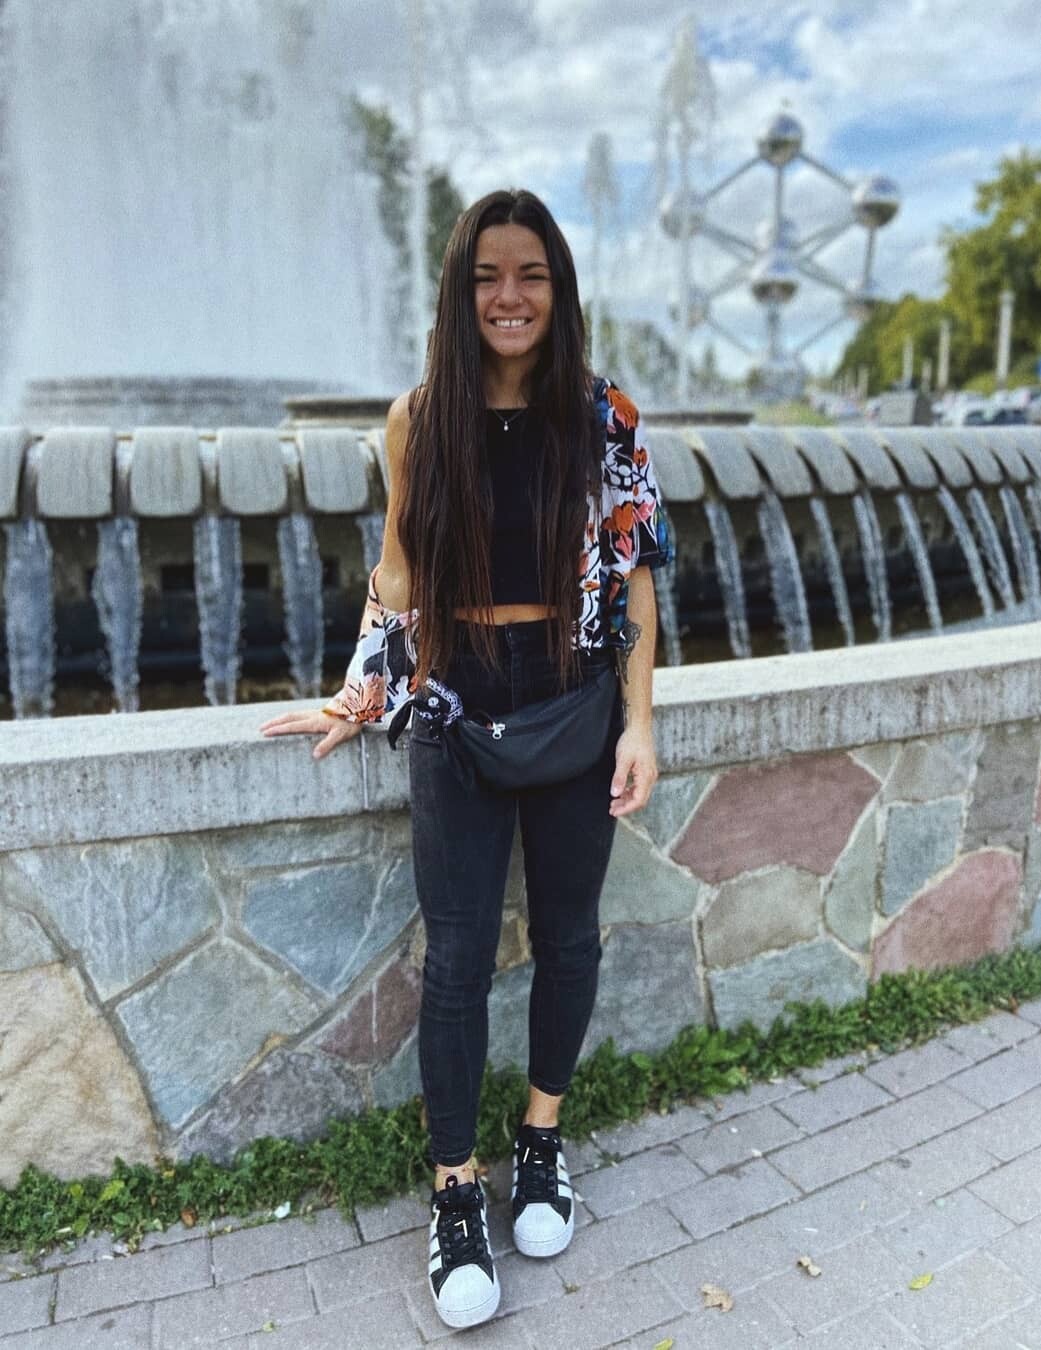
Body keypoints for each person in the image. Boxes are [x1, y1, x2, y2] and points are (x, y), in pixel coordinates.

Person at [259, 187, 674, 1330]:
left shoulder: (605, 416)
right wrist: (362, 688)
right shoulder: (417, 418)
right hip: (453, 705)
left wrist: (640, 723)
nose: (509, 296)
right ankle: (453, 1191)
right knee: (455, 960)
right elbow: (398, 575)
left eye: (530, 273)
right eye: (488, 275)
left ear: (558, 288)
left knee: (569, 937)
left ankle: (540, 1144)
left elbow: (637, 574)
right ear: (460, 290)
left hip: (574, 699)